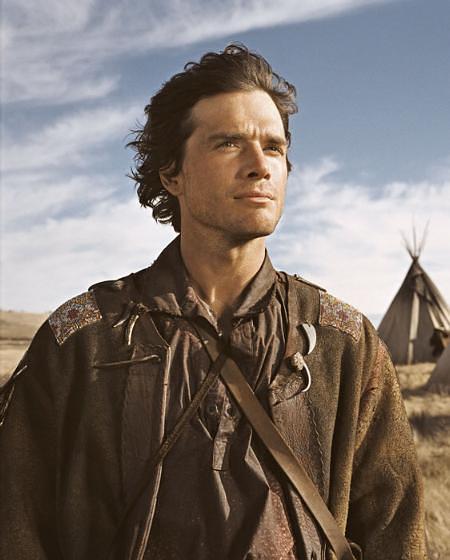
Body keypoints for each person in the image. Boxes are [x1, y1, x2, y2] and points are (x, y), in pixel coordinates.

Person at [0, 44, 426, 560]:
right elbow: (16, 525)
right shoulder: (83, 340)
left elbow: (396, 536)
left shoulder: (343, 344)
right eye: (229, 143)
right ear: (171, 173)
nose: (259, 166)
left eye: (273, 148)